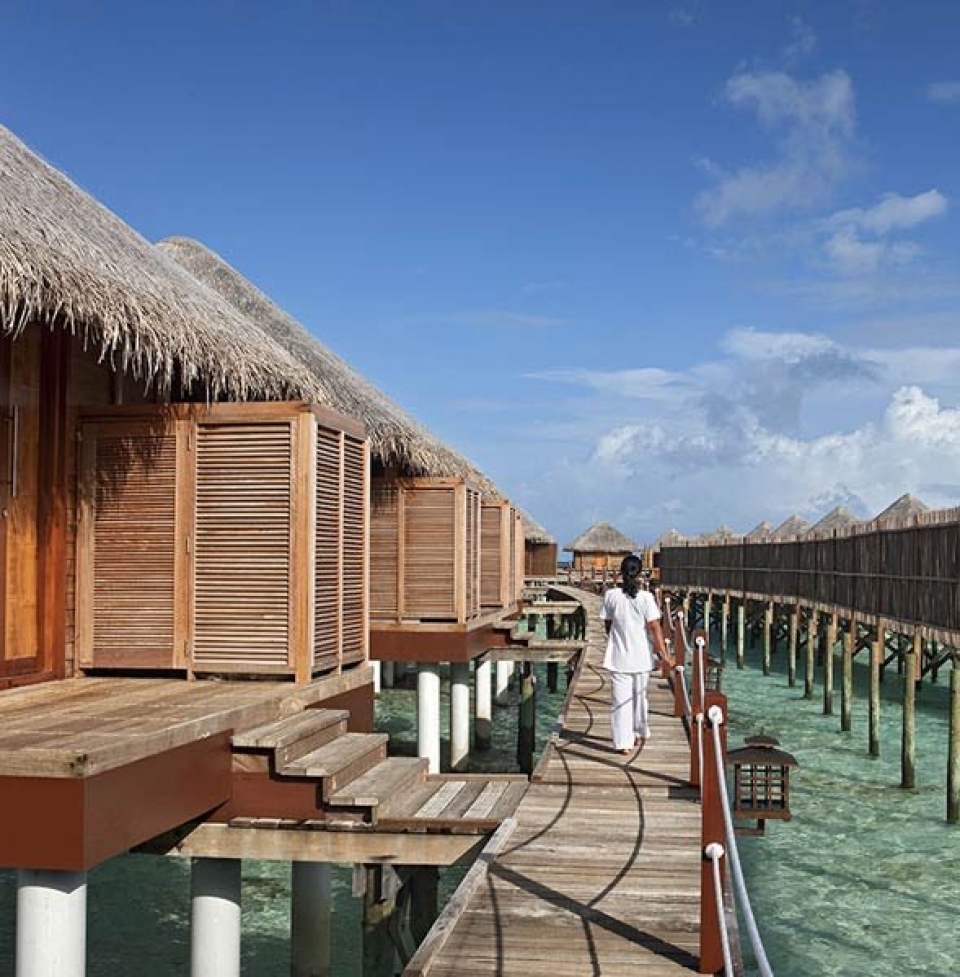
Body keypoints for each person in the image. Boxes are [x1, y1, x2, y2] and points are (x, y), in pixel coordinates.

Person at [600, 554, 673, 755]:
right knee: (640, 698)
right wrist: (664, 655)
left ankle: (624, 743)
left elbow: (607, 623)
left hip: (618, 657)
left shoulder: (611, 595)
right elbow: (655, 628)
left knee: (620, 702)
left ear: (620, 573)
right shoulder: (646, 598)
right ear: (640, 574)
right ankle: (640, 731)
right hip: (641, 657)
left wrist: (613, 637)